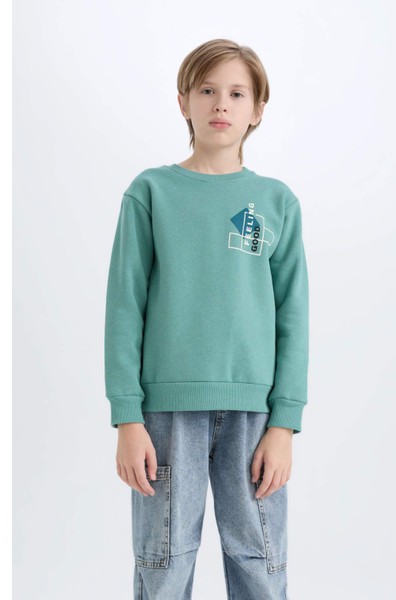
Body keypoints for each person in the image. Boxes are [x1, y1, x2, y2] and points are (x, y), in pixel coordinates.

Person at [104, 38, 309, 600]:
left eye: (237, 94)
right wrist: (127, 416)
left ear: (258, 109)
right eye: (207, 90)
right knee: (163, 565)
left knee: (260, 565)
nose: (222, 103)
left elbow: (294, 317)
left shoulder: (276, 201)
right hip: (164, 415)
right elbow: (124, 307)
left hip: (255, 417)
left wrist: (285, 424)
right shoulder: (150, 192)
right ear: (183, 102)